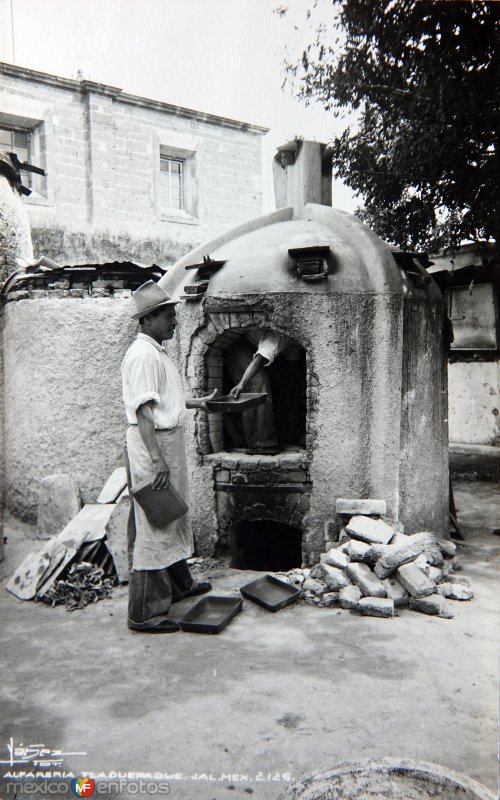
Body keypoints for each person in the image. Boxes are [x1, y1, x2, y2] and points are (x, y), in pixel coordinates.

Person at [122, 280, 216, 634]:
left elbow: (162, 401)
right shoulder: (144, 355)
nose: (175, 321)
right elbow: (145, 413)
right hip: (153, 446)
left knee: (173, 515)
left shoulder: (155, 351)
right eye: (168, 315)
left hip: (164, 442)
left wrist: (197, 402)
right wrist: (157, 460)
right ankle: (145, 613)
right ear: (147, 319)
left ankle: (179, 585)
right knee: (155, 524)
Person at [226, 329, 305, 453]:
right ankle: (260, 443)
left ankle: (287, 434)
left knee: (287, 381)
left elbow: (293, 368)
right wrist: (241, 384)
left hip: (258, 346)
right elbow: (261, 357)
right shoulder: (278, 337)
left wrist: (302, 389)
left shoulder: (296, 341)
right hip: (238, 344)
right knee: (258, 381)